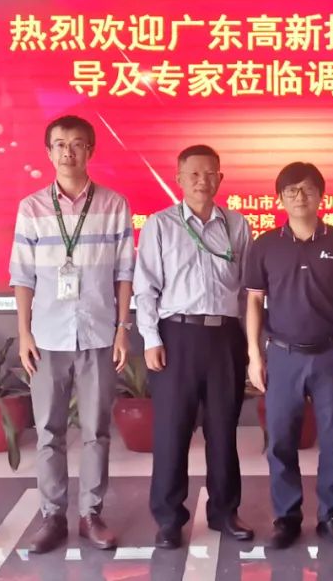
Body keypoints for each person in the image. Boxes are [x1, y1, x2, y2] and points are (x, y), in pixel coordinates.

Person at [9, 114, 134, 554]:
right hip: (46, 337)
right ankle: (52, 516)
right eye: (60, 144)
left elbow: (124, 273)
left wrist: (123, 329)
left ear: (90, 151)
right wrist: (23, 333)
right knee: (49, 429)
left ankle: (91, 514)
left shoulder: (114, 205)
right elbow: (22, 276)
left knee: (97, 430)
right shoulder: (31, 208)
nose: (68, 152)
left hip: (98, 333)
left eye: (77, 144)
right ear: (48, 152)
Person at [245, 162, 333, 551]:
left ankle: (332, 518)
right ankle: (286, 518)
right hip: (283, 356)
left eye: (307, 189)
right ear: (279, 198)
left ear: (321, 195)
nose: (300, 197)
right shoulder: (265, 245)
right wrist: (254, 355)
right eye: (291, 190)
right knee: (281, 441)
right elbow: (254, 302)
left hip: (332, 354)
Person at [133, 144, 253, 549]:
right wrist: (151, 339)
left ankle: (225, 511)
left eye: (210, 173)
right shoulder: (160, 225)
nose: (203, 181)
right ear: (179, 179)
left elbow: (247, 292)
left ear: (221, 178)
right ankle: (169, 519)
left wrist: (251, 344)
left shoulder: (237, 225)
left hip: (225, 338)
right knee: (172, 431)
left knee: (224, 429)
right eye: (194, 174)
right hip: (176, 337)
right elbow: (146, 288)